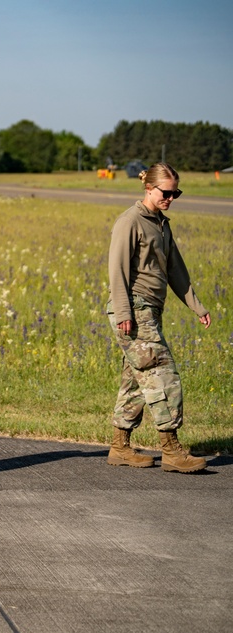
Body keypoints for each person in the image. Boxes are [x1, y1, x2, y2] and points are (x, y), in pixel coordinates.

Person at [106, 163, 211, 472]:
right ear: (149, 189)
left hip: (152, 309)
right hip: (133, 309)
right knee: (162, 373)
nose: (171, 198)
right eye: (166, 192)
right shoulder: (130, 221)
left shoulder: (162, 224)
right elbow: (117, 269)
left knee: (137, 381)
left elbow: (175, 270)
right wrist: (124, 311)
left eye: (175, 192)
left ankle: (120, 446)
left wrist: (197, 306)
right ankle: (171, 449)